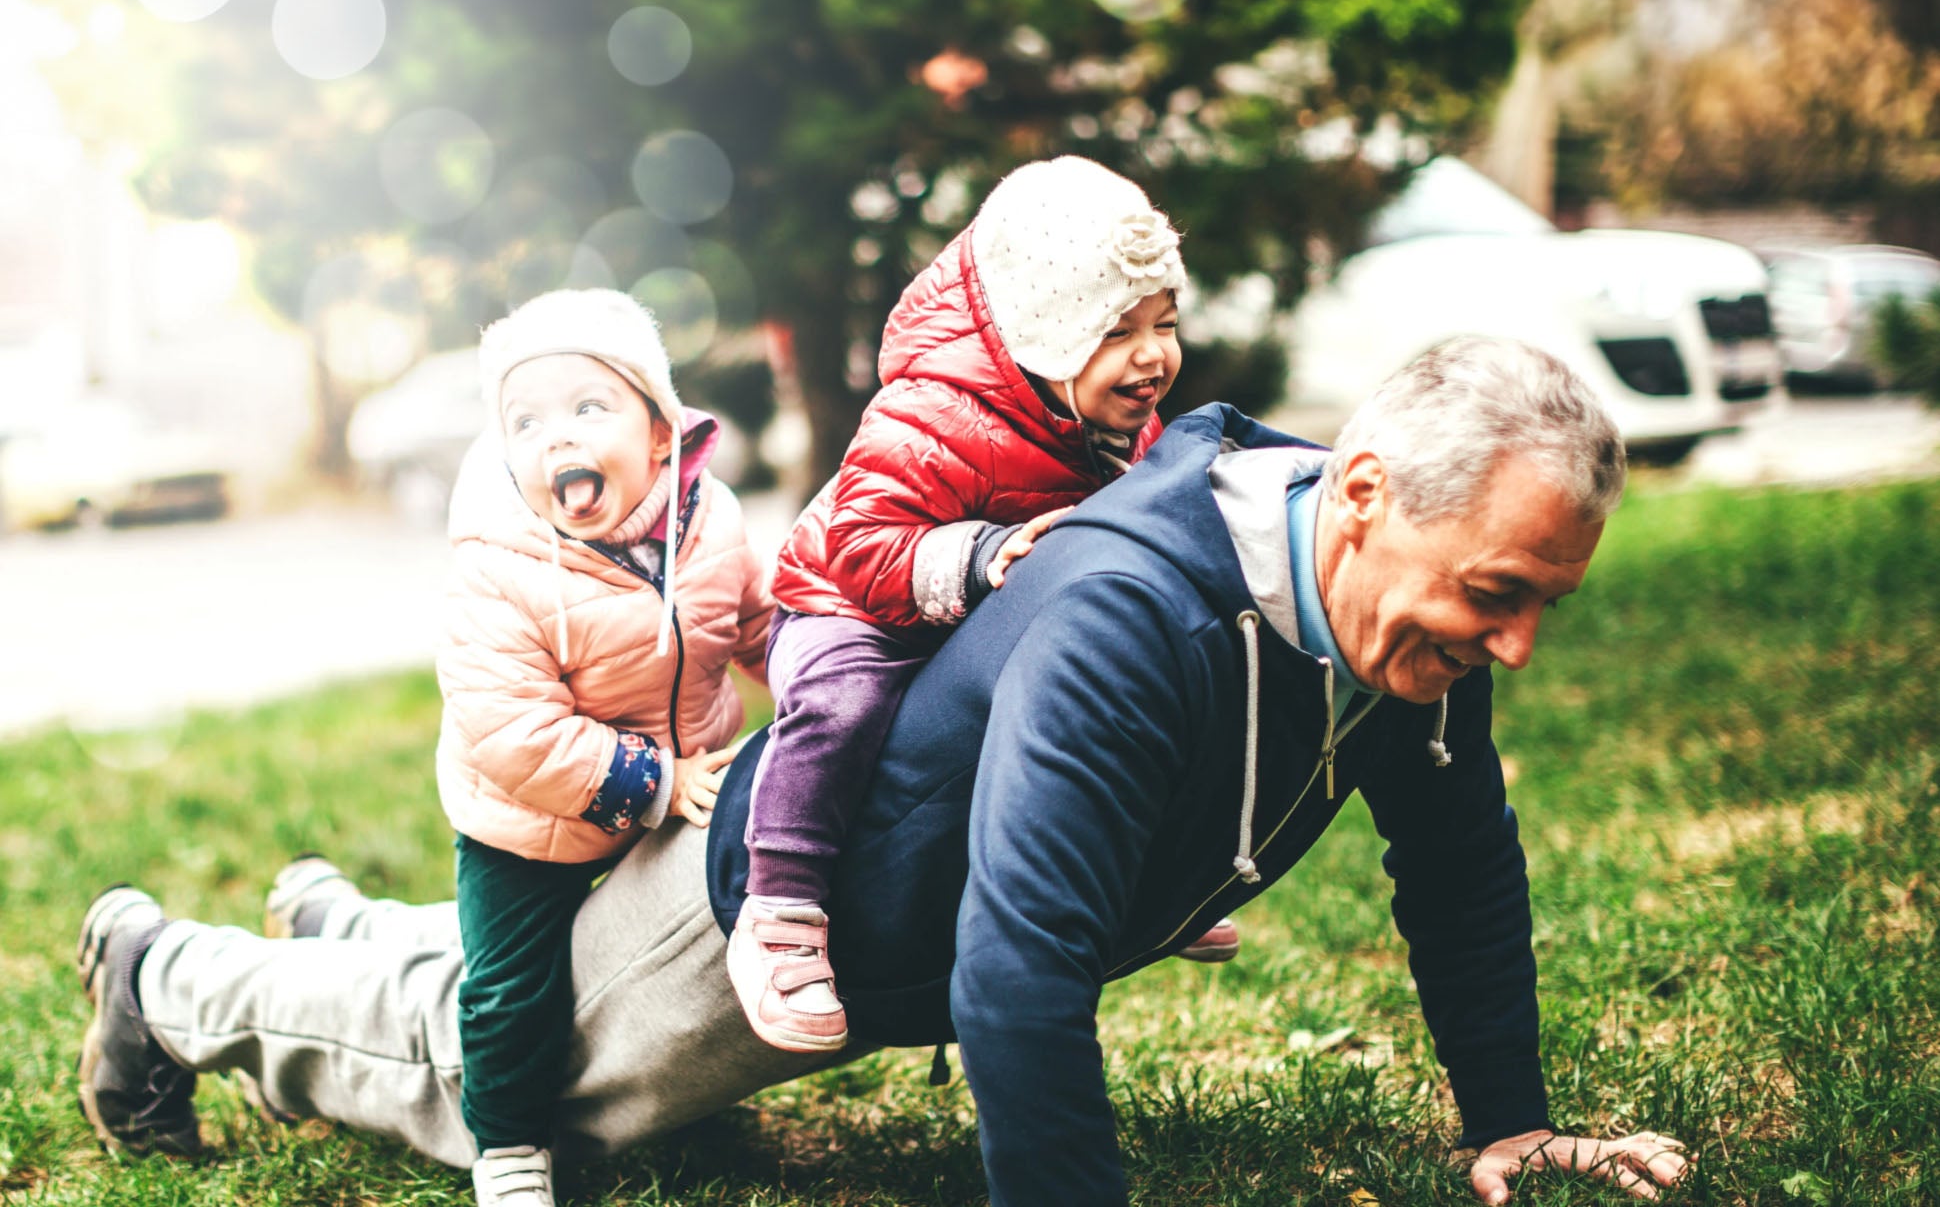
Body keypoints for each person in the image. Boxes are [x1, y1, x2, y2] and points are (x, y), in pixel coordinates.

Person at [76, 335, 1690, 1206]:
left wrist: (1512, 1121)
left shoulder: (1400, 620)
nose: (1518, 647)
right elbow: (1020, 971)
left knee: (508, 992)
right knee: (484, 1079)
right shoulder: (1141, 609)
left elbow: (1461, 856)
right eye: (1498, 595)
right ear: (1360, 497)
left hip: (861, 932)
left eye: (1544, 602)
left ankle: (352, 920)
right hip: (765, 918)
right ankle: (170, 976)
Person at [734, 154, 1236, 1055]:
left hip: (984, 605)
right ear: (1042, 335)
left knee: (1112, 694)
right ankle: (780, 906)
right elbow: (859, 547)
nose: (1154, 354)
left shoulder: (1112, 421)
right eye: (1118, 331)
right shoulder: (927, 414)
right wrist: (976, 555)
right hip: (854, 603)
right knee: (842, 706)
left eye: (1164, 321)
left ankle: (1138, 876)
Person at [378, 289, 771, 1206]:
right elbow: (512, 732)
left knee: (689, 942)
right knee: (514, 989)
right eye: (525, 420)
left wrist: (823, 686)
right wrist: (655, 783)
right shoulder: (498, 564)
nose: (557, 438)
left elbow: (758, 623)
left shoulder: (710, 524)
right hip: (532, 816)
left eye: (590, 408)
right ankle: (510, 1146)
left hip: (684, 776)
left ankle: (685, 1089)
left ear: (662, 434)